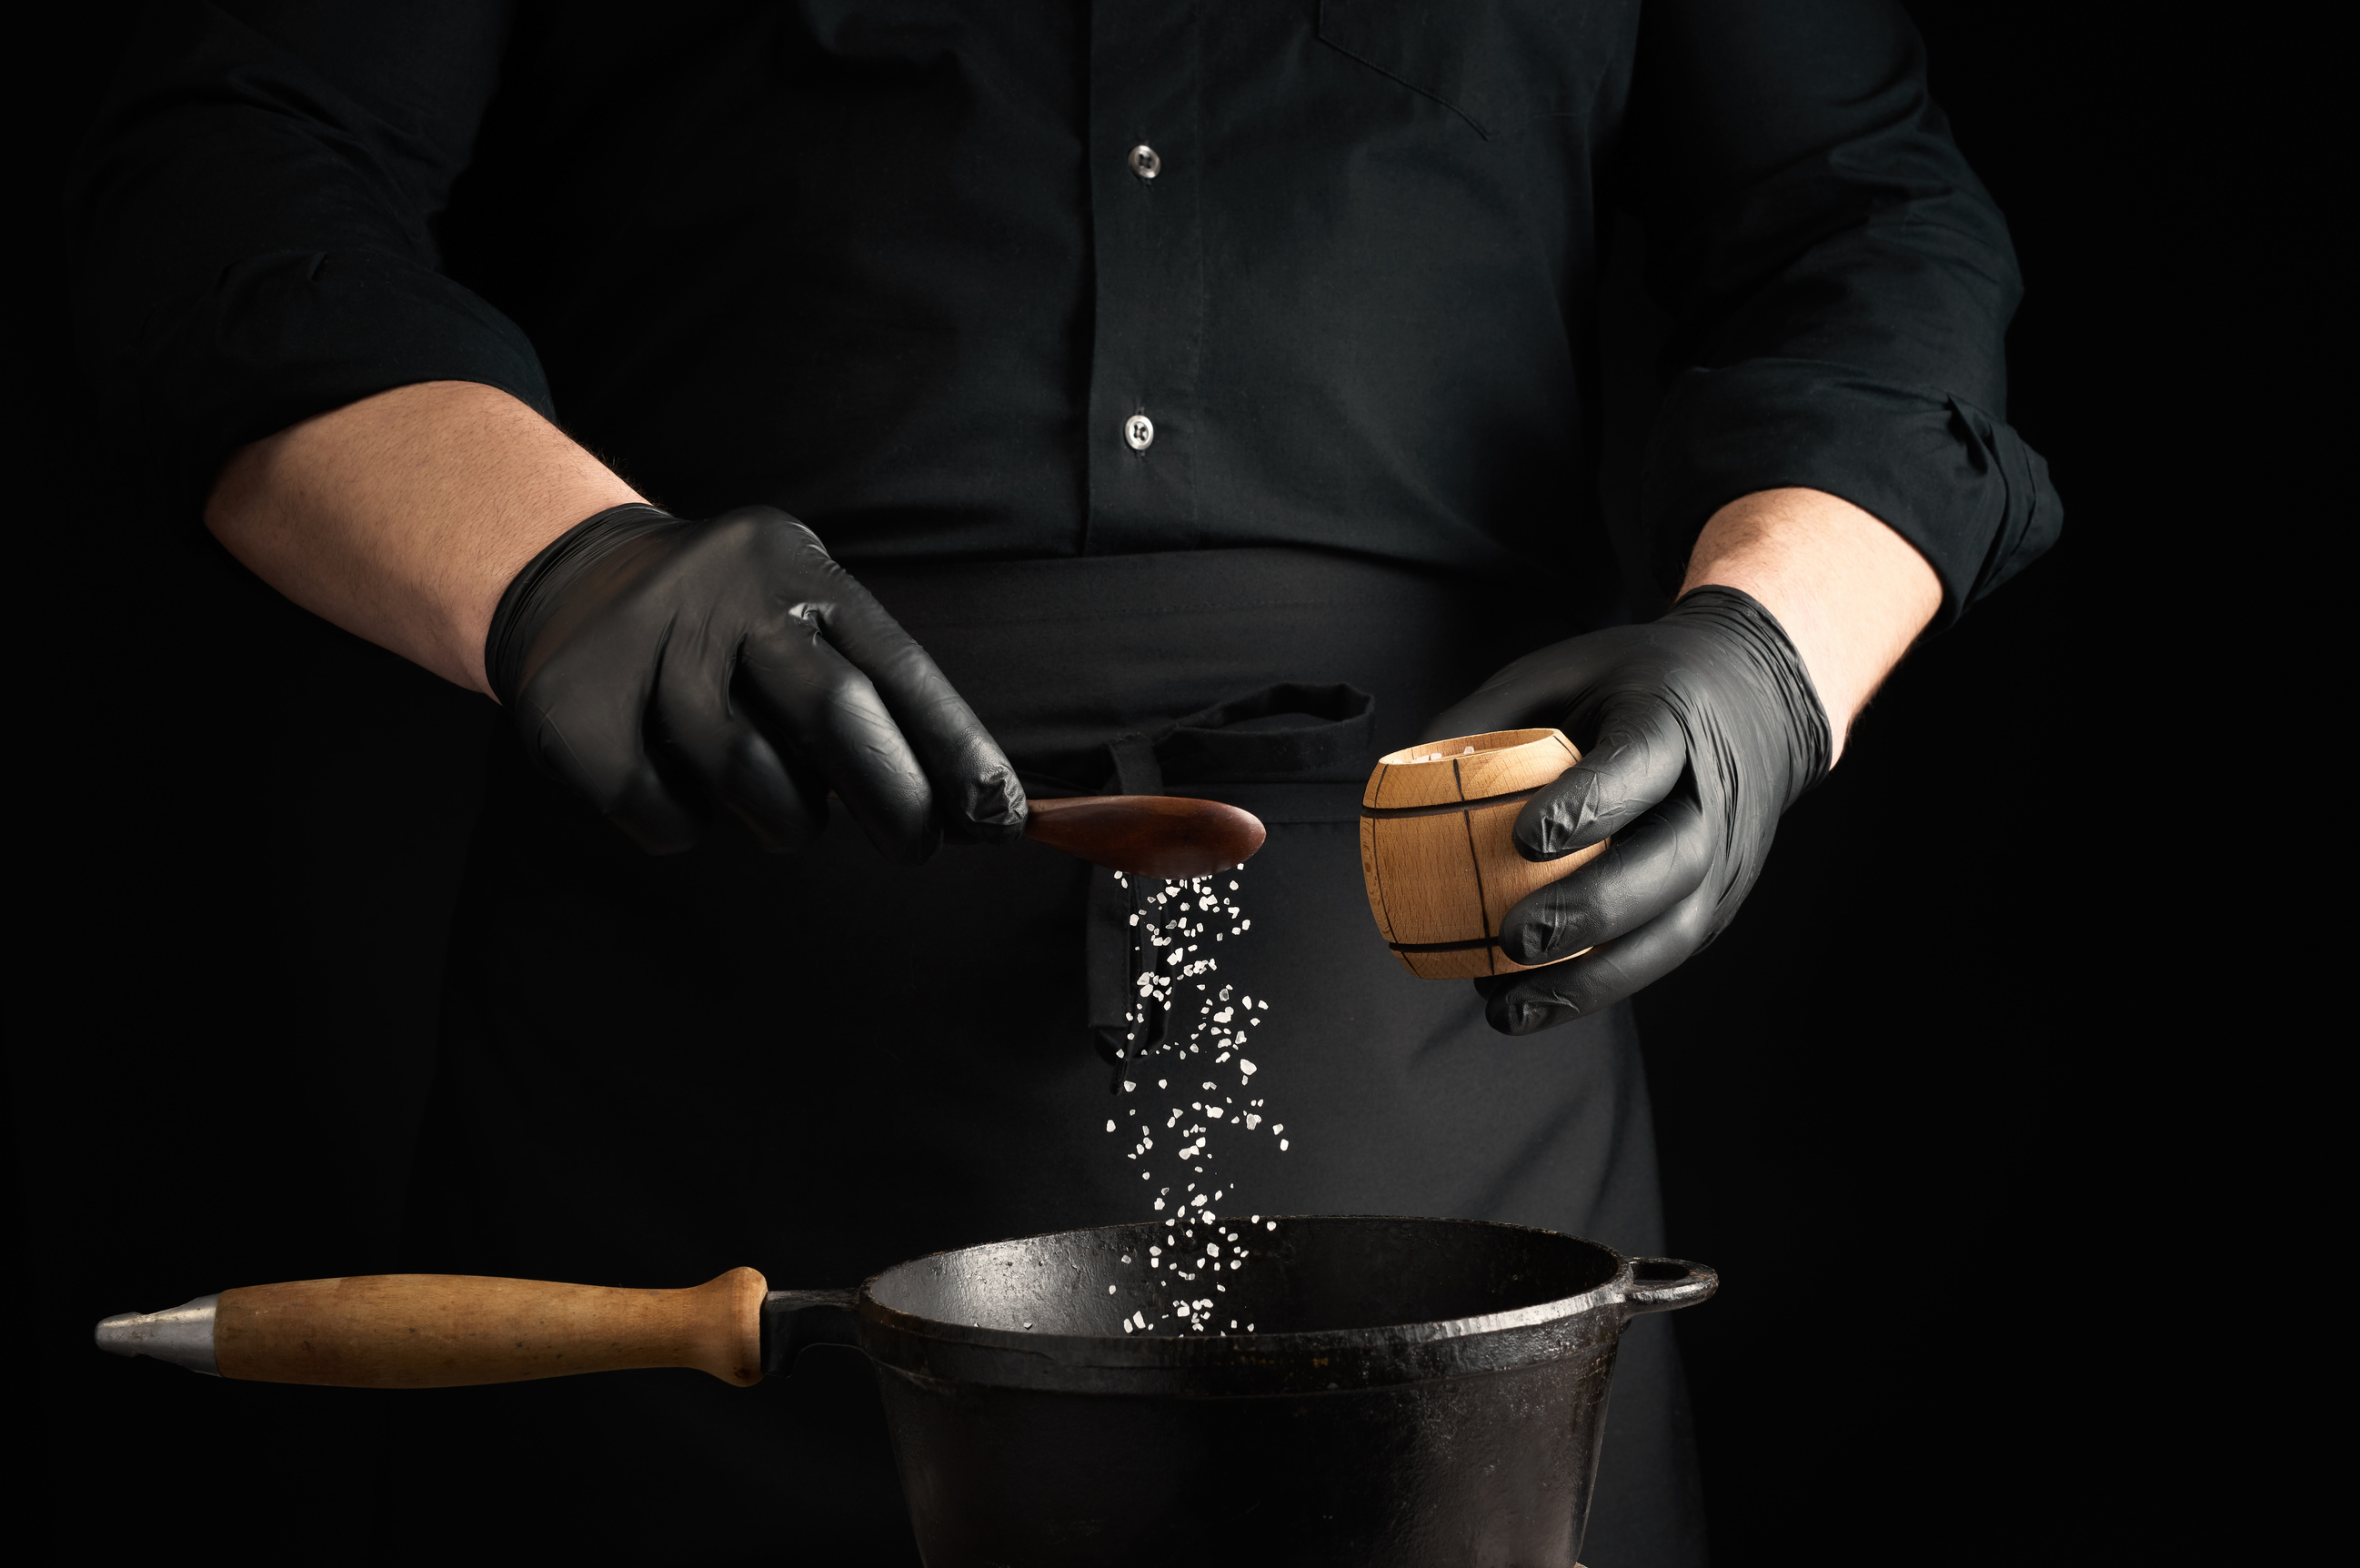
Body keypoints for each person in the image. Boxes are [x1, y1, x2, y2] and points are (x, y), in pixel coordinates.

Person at [70, 1, 2056, 1561]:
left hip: (1428, 1094)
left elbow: (1857, 213)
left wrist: (1771, 656)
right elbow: (234, 184)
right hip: (705, 1084)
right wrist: (558, 570)